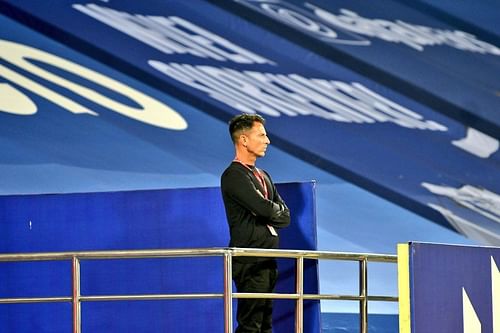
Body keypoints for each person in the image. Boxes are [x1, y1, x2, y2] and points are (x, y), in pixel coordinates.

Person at [220, 113, 291, 333]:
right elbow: (264, 208)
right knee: (251, 324)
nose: (267, 140)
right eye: (261, 135)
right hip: (249, 259)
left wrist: (271, 211)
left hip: (268, 259)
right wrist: (270, 210)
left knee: (266, 324)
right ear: (243, 140)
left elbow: (285, 216)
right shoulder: (233, 175)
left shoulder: (264, 175)